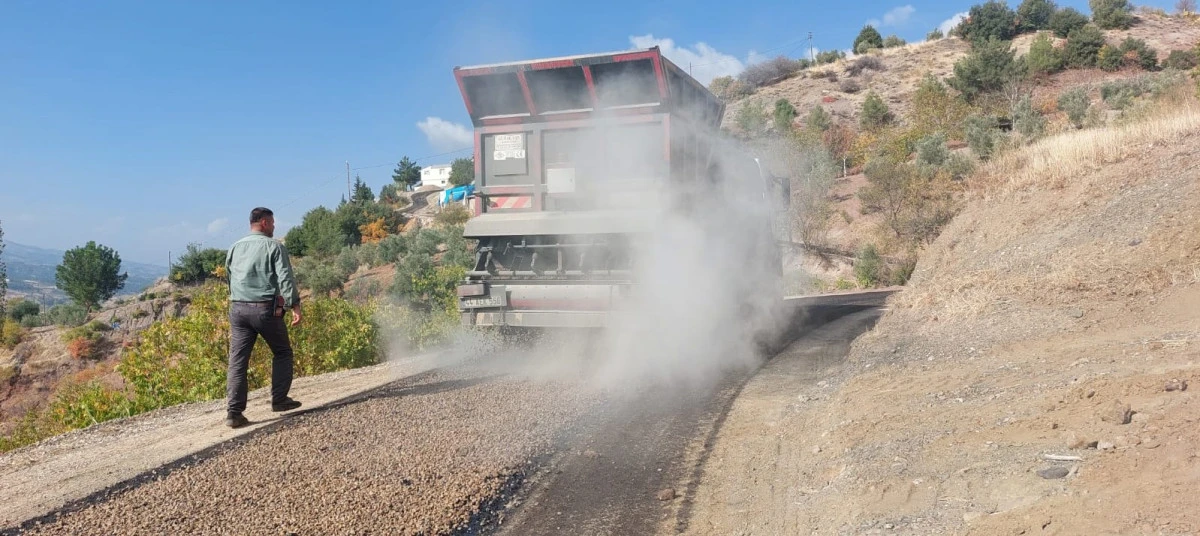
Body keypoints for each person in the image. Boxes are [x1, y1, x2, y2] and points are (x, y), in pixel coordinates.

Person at [222, 207, 303, 428]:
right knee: (283, 352)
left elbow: (229, 278)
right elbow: (285, 278)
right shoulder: (274, 247)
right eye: (273, 222)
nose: (275, 226)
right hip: (265, 309)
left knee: (237, 362)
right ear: (265, 223)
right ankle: (279, 400)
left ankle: (234, 413)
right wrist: (294, 305)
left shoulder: (234, 247)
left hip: (237, 309)